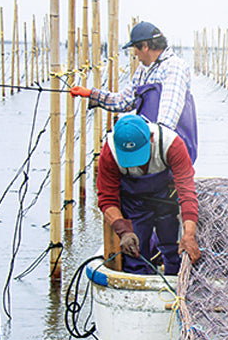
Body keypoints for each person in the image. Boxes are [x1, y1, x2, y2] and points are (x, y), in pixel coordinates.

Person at [71, 21, 198, 161]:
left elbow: (168, 118)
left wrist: (149, 145)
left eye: (134, 49)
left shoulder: (174, 67)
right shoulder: (143, 71)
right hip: (150, 142)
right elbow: (124, 101)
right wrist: (92, 94)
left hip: (171, 147)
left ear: (145, 46)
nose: (135, 54)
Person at [97, 113, 201, 275]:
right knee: (134, 251)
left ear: (151, 138)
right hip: (133, 202)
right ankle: (137, 283)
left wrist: (189, 234)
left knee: (172, 244)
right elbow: (107, 198)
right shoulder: (109, 151)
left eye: (139, 155)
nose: (136, 162)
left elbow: (187, 192)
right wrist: (123, 231)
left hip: (166, 199)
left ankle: (174, 274)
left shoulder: (171, 144)